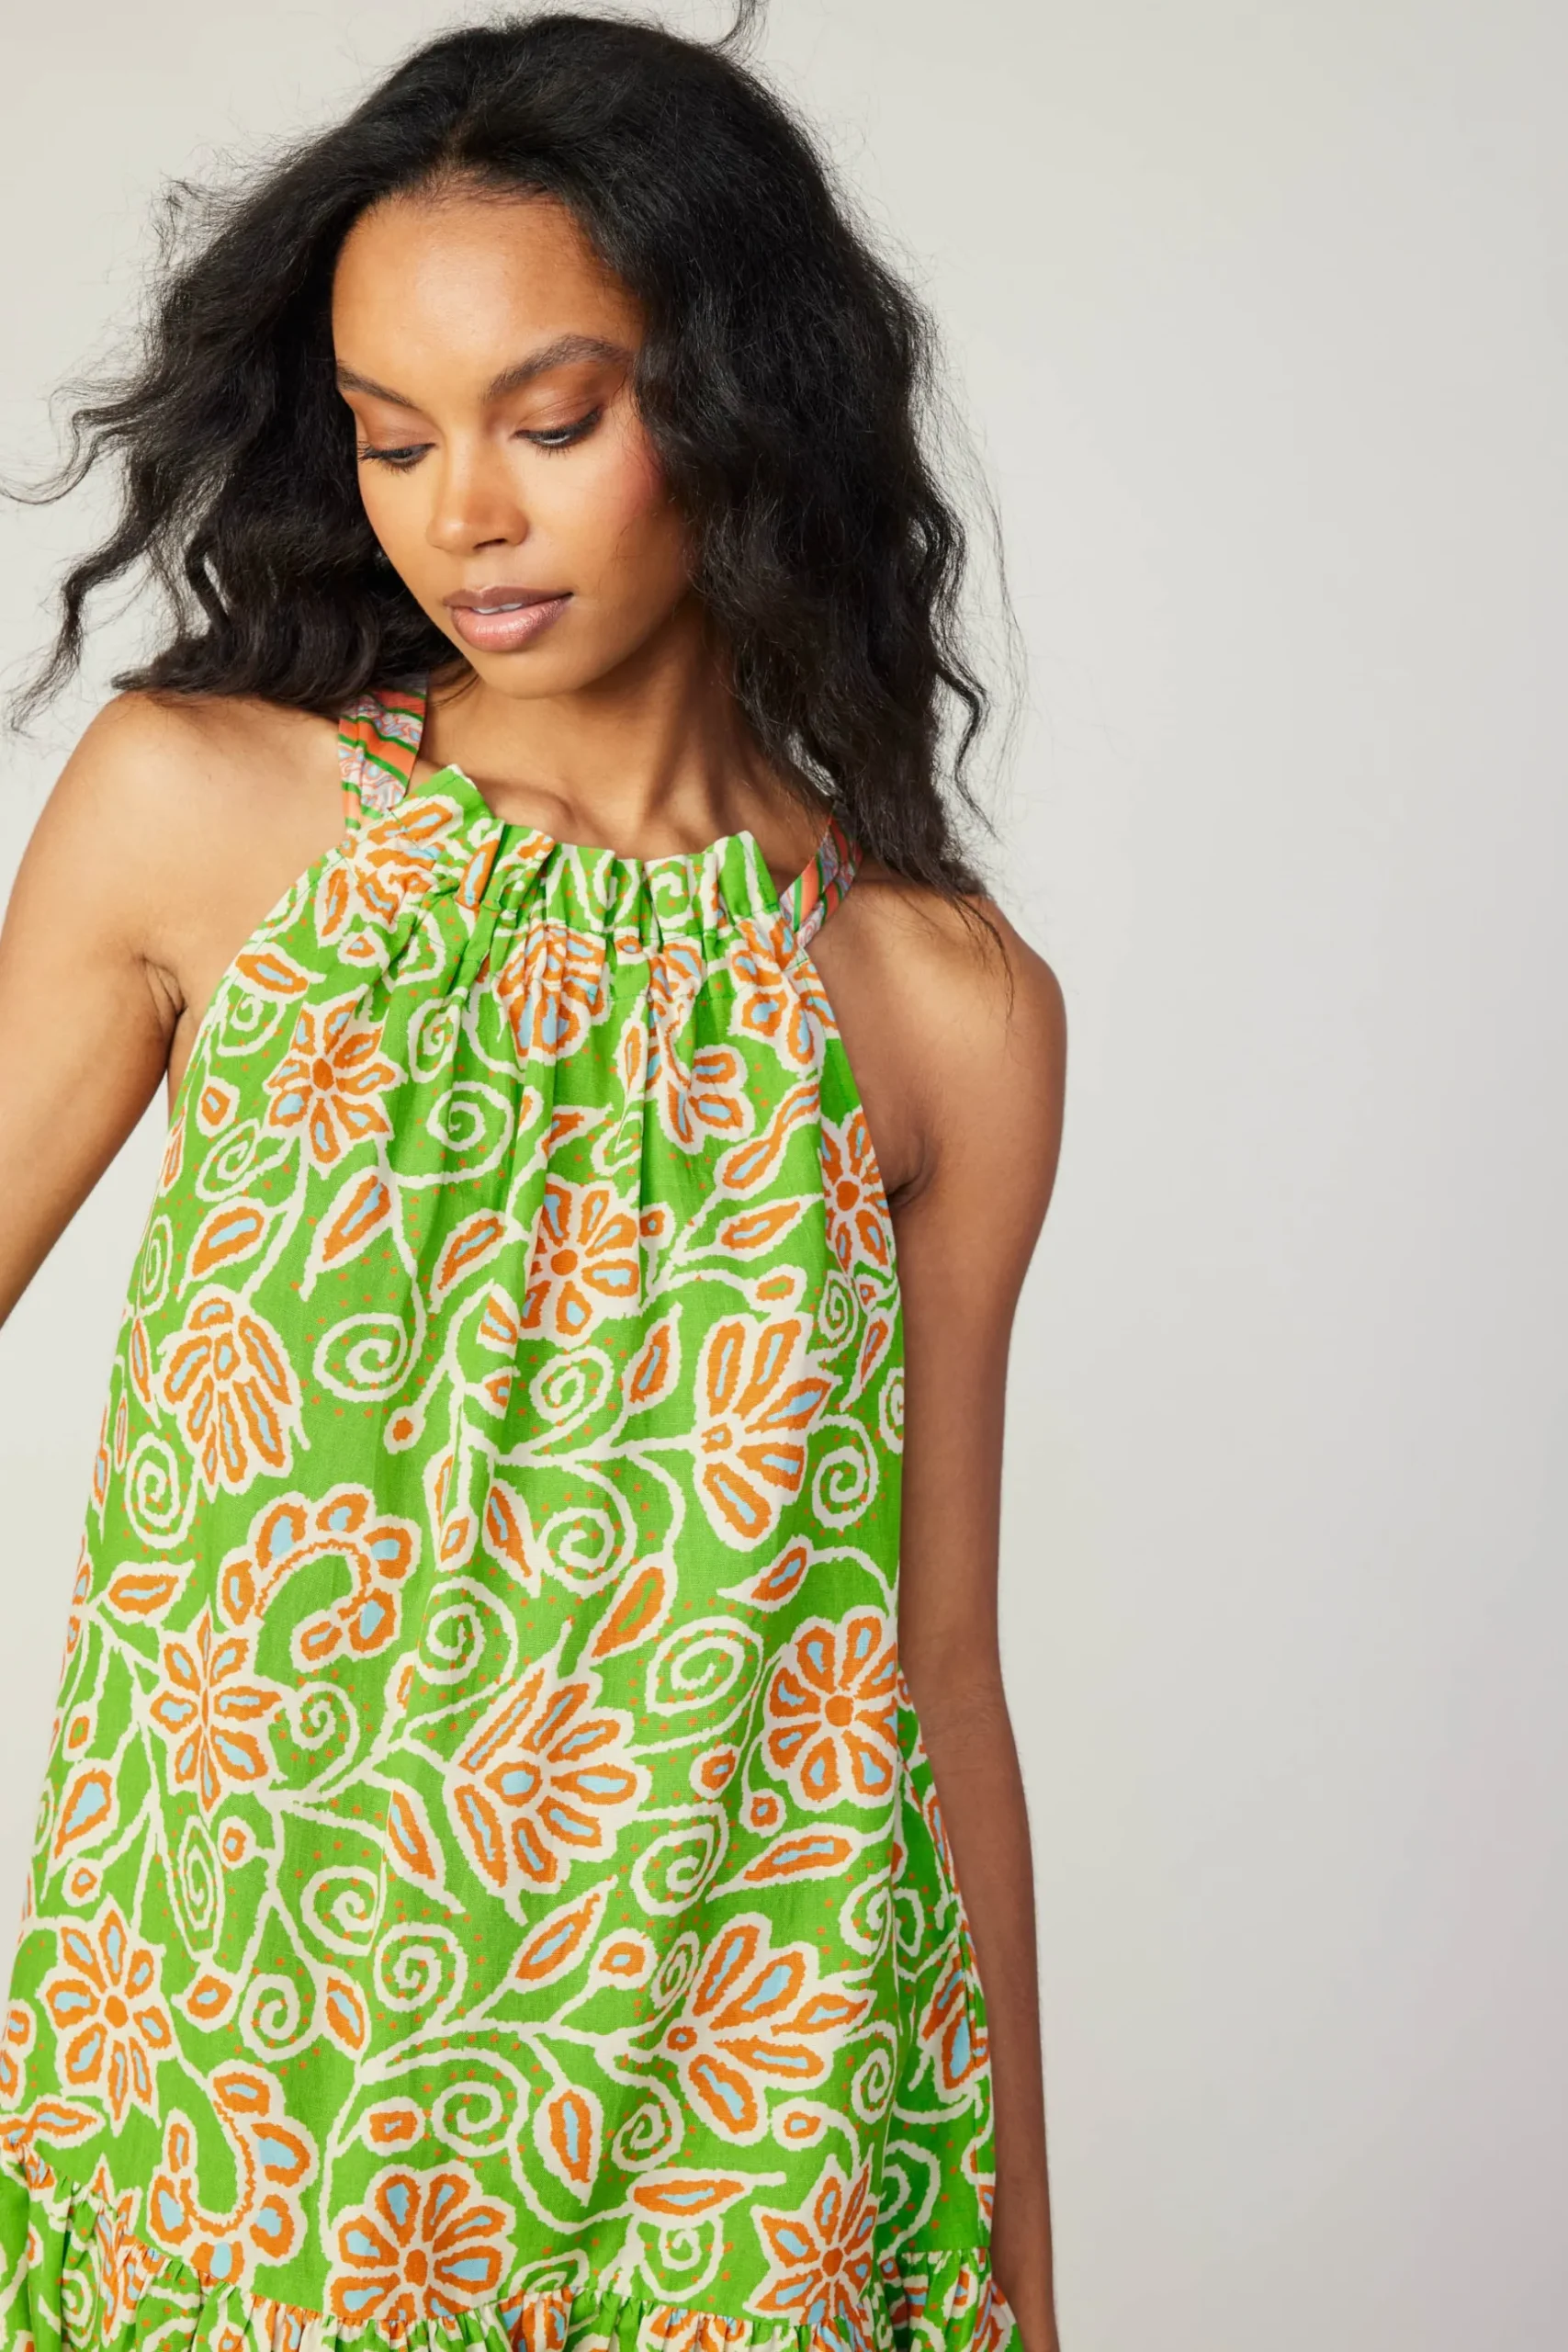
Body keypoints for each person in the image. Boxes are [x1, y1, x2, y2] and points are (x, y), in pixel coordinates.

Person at [0, 14, 1067, 2352]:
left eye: (551, 421)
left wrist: (1021, 2272)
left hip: (748, 2137)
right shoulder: (203, 810)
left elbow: (938, 1672)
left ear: (740, 404)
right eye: (393, 437)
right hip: (245, 2107)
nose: (459, 511)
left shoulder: (942, 1003)